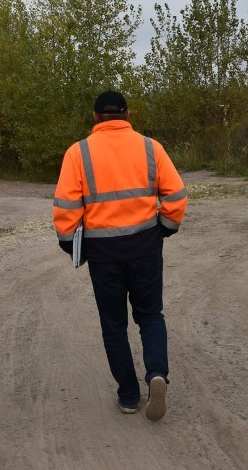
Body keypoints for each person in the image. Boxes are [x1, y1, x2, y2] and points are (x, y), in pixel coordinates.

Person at [53, 90, 188, 421]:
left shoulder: (78, 153)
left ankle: (129, 395)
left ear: (95, 118)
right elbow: (177, 194)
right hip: (145, 246)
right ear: (128, 116)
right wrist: (164, 229)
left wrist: (72, 246)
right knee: (151, 315)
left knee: (113, 325)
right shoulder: (149, 147)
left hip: (103, 255)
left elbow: (66, 208)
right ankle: (156, 373)